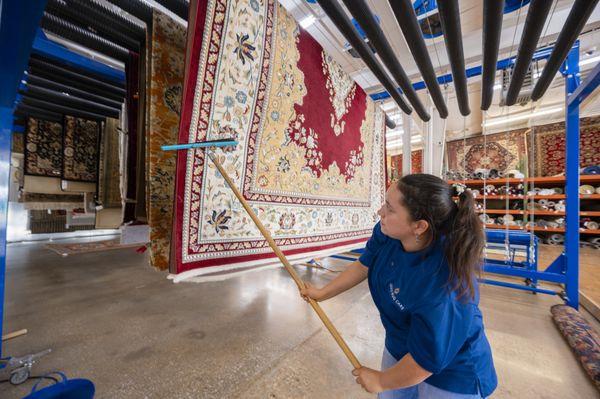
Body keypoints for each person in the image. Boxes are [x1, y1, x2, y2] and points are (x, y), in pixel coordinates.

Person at [300, 174, 497, 398]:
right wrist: (322, 293)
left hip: (451, 373)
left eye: (390, 208)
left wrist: (382, 380)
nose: (380, 212)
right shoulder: (390, 232)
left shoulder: (445, 285)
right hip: (401, 345)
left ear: (419, 226)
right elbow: (364, 264)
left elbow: (427, 360)